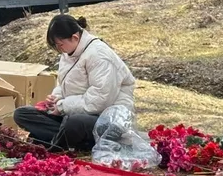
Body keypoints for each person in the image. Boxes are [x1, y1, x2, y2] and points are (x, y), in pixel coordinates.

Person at [12, 14, 135, 151]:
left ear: (75, 37)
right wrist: (56, 98)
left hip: (105, 118)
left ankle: (58, 141)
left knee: (73, 123)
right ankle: (69, 139)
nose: (59, 49)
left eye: (60, 45)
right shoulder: (69, 52)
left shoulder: (99, 55)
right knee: (22, 114)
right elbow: (64, 83)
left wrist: (62, 106)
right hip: (75, 112)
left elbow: (99, 100)